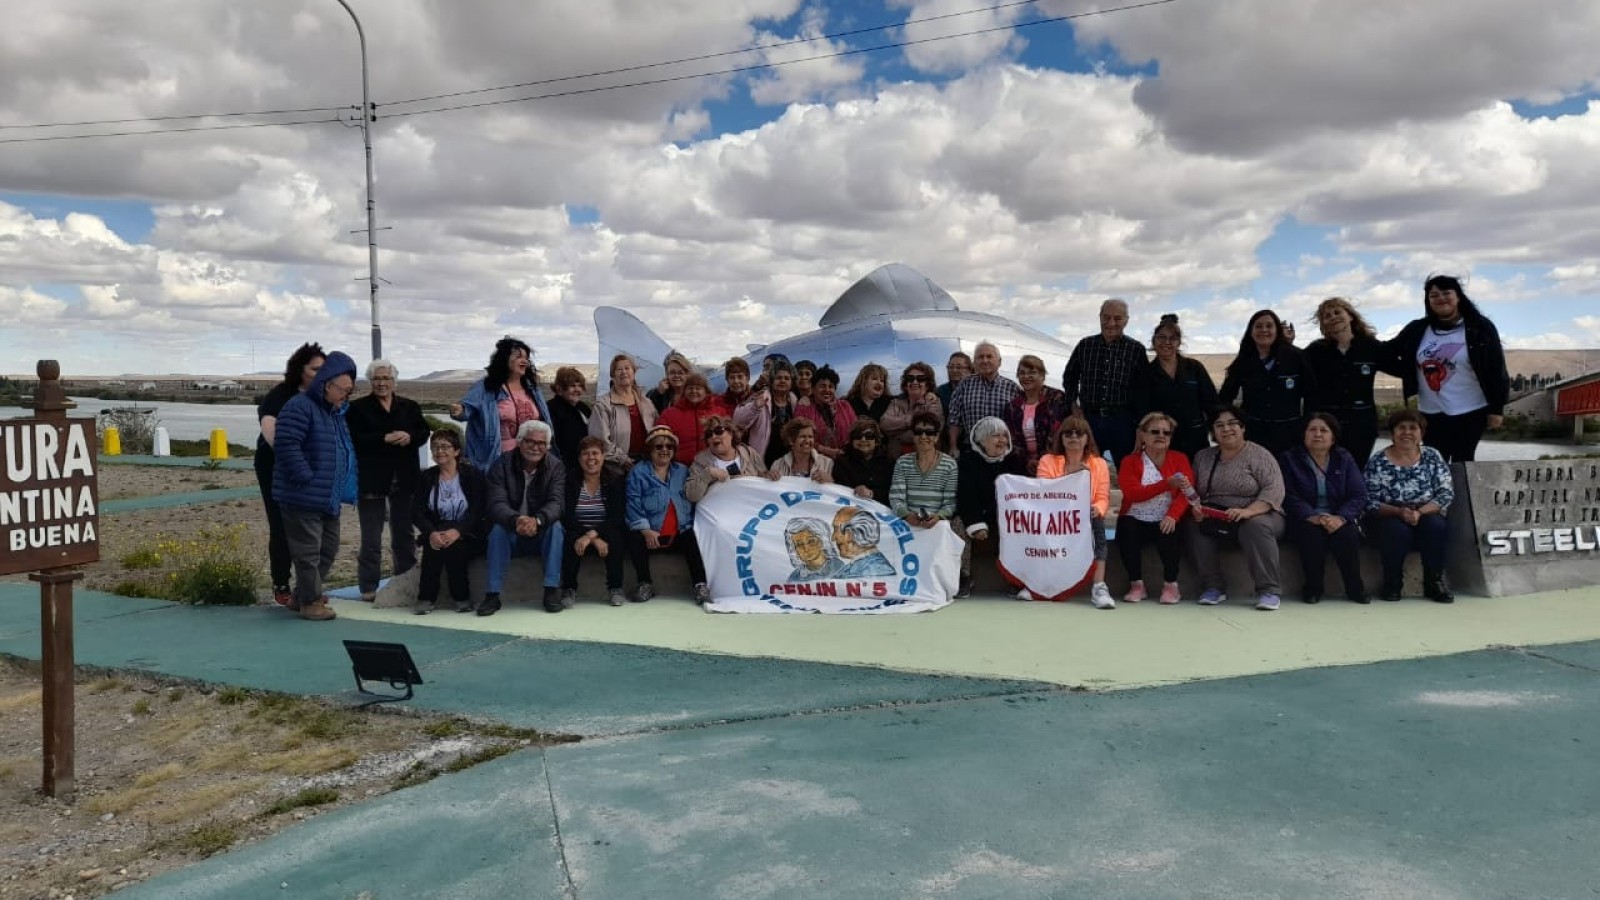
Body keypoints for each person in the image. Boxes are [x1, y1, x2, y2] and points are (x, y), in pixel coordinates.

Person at [1382, 274, 1509, 463]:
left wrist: (1497, 409)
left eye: (1446, 292)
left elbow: (1496, 368)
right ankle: (1436, 494)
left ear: (1458, 296)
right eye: (1434, 295)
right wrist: (1411, 373)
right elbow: (1386, 353)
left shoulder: (1480, 327)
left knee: (1462, 461)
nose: (1441, 298)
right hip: (1431, 410)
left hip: (1472, 408)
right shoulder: (1418, 329)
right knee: (1434, 460)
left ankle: (1461, 494)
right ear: (1428, 301)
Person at [271, 350, 358, 622]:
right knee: (308, 552)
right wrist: (304, 476)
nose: (345, 395)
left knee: (328, 549)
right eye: (342, 389)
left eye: (349, 391)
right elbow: (286, 444)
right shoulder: (299, 406)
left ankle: (301, 595)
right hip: (303, 495)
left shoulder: (334, 413)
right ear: (326, 383)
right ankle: (310, 601)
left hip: (327, 496)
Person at [1186, 407, 1288, 611]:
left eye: (1232, 423)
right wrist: (1196, 509)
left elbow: (1274, 490)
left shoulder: (1259, 454)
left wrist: (1249, 511)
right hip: (1218, 516)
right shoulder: (1203, 457)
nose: (1226, 429)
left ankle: (1269, 590)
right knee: (1192, 525)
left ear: (1242, 427)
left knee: (1255, 526)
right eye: (1219, 425)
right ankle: (1213, 587)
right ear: (1213, 432)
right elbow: (1194, 490)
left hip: (1260, 513)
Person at [347, 358, 430, 602]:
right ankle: (368, 586)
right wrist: (383, 438)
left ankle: (406, 581)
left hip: (405, 478)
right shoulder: (358, 408)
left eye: (386, 378)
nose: (382, 383)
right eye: (377, 379)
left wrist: (409, 436)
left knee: (403, 533)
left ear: (394, 381)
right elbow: (355, 437)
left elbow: (423, 432)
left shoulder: (410, 406)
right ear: (370, 381)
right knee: (371, 536)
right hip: (372, 479)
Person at [254, 342, 324, 607]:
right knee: (282, 524)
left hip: (311, 468)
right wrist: (290, 458)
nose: (320, 374)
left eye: (323, 369)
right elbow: (268, 426)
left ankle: (307, 587)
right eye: (315, 369)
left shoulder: (323, 396)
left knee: (310, 527)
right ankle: (281, 584)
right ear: (300, 370)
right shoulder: (281, 394)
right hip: (275, 467)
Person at [1364, 410, 1456, 602]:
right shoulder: (1378, 461)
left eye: (1413, 428)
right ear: (1393, 432)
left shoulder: (1432, 456)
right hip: (1389, 515)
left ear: (1421, 433)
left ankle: (1434, 583)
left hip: (1426, 511)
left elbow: (1445, 493)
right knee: (1395, 530)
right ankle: (1392, 583)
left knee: (1436, 526)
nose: (1407, 432)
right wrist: (1399, 511)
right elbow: (1368, 500)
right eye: (1401, 428)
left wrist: (1420, 513)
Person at [1280, 413, 1369, 605]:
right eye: (1312, 430)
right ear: (1304, 435)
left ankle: (1355, 588)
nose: (1317, 434)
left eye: (1323, 430)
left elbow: (1359, 494)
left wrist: (1341, 517)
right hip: (1305, 518)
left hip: (1339, 516)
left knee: (1347, 536)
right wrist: (1311, 516)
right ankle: (1313, 589)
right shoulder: (1290, 459)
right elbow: (1287, 494)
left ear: (1333, 437)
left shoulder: (1344, 458)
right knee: (1311, 536)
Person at [483, 420, 565, 616]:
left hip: (540, 530)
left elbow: (557, 503)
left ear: (547, 446)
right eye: (530, 442)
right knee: (496, 531)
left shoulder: (556, 467)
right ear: (519, 441)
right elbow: (496, 503)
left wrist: (537, 521)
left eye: (541, 443)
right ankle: (492, 595)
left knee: (556, 528)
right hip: (512, 529)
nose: (536, 447)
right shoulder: (501, 464)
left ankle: (551, 590)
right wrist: (516, 520)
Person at [1115, 412, 1194, 606]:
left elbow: (1188, 493)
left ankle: (1171, 585)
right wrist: (1167, 484)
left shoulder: (1179, 458)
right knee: (1126, 526)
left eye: (1166, 433)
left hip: (1165, 517)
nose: (1161, 436)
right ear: (1142, 435)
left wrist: (1173, 515)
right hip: (1136, 517)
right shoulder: (1130, 461)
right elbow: (1133, 494)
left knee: (1170, 528)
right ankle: (1136, 585)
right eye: (1155, 431)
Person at [626, 426, 709, 604]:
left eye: (669, 447)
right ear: (650, 450)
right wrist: (645, 530)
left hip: (679, 531)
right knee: (633, 537)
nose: (664, 450)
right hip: (651, 533)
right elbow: (633, 503)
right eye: (659, 446)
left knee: (693, 539)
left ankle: (700, 585)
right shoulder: (638, 472)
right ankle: (644, 584)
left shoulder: (683, 471)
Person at [1037, 417, 1114, 608]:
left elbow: (1103, 497)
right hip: (1054, 516)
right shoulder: (1047, 460)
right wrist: (1073, 478)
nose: (1073, 437)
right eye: (1068, 433)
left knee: (1098, 526)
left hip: (1086, 517)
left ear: (1087, 438)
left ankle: (1099, 587)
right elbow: (1043, 492)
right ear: (1061, 438)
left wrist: (1098, 508)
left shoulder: (1099, 464)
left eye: (1079, 433)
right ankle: (1039, 585)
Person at [1061, 298, 1148, 467]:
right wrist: (1073, 406)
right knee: (1086, 469)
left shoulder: (1136, 349)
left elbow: (1143, 390)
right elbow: (1069, 376)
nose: (1111, 323)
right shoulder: (1085, 345)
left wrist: (1139, 426)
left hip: (1122, 421)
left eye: (1117, 318)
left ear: (1126, 320)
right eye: (1106, 317)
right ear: (1099, 317)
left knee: (1127, 470)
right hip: (1089, 419)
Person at [1219, 310, 1317, 457]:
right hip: (1254, 436)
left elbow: (1312, 396)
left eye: (1269, 326)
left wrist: (1308, 427)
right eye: (1258, 326)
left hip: (1290, 436)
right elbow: (1225, 398)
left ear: (1277, 330)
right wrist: (1233, 424)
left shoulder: (1296, 357)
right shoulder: (1244, 361)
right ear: (1251, 332)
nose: (1264, 330)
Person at [412, 429, 488, 615]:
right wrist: (431, 533)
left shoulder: (473, 476)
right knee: (435, 546)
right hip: (438, 531)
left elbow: (478, 511)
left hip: (470, 533)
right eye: (435, 447)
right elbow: (417, 511)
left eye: (445, 447)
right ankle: (427, 598)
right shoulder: (427, 477)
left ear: (456, 451)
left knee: (454, 548)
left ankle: (460, 596)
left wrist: (458, 531)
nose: (439, 451)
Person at [1305, 297, 1387, 467]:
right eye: (1327, 316)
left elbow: (1400, 365)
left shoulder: (1370, 347)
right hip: (1329, 424)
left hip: (1362, 424)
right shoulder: (1316, 351)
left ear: (1350, 316)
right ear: (1323, 324)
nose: (1333, 317)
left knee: (1356, 470)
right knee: (1329, 470)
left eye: (1337, 312)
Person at [451, 336, 553, 471]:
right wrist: (459, 410)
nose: (524, 361)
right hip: (497, 461)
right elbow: (467, 409)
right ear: (504, 359)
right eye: (518, 357)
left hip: (529, 461)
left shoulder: (532, 389)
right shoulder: (486, 387)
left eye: (526, 358)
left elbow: (543, 421)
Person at [956, 417, 1029, 601]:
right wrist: (975, 524)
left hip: (1007, 516)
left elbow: (1024, 494)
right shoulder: (967, 461)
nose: (1002, 440)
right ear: (981, 440)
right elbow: (966, 496)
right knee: (957, 524)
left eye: (1005, 435)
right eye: (995, 436)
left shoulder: (1016, 460)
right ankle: (962, 577)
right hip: (977, 514)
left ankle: (1017, 578)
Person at [889, 411, 959, 589]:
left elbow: (950, 502)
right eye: (918, 432)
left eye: (929, 432)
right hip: (908, 521)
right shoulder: (902, 463)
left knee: (944, 529)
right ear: (913, 436)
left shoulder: (950, 464)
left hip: (936, 522)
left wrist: (938, 516)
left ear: (936, 437)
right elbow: (896, 498)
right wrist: (907, 516)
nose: (923, 436)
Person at [1132, 314, 1217, 461]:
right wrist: (1140, 433)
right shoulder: (1145, 373)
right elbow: (1140, 409)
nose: (1166, 342)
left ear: (1179, 343)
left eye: (1172, 338)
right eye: (1161, 337)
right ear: (1154, 341)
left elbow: (1211, 402)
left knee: (1197, 481)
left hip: (1195, 439)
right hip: (1162, 440)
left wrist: (1217, 430)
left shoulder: (1194, 368)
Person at [560, 436, 629, 608]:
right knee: (570, 540)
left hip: (604, 528)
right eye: (585, 454)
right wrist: (588, 536)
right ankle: (569, 588)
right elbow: (566, 514)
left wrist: (593, 535)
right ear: (579, 458)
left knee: (615, 538)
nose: (591, 458)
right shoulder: (570, 480)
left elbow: (617, 516)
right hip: (577, 527)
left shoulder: (614, 479)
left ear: (603, 456)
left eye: (595, 453)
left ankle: (615, 588)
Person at [945, 342, 1020, 454]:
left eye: (989, 356)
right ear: (974, 363)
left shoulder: (1012, 388)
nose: (985, 360)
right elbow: (954, 419)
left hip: (1003, 452)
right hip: (972, 451)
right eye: (980, 357)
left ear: (999, 362)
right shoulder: (965, 385)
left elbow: (1019, 423)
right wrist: (953, 446)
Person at [1004, 354, 1068, 475]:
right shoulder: (1012, 407)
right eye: (1022, 373)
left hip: (1054, 464)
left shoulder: (1057, 398)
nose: (1026, 376)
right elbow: (1011, 439)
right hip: (1023, 466)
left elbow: (1057, 433)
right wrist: (1028, 461)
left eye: (1032, 372)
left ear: (1042, 376)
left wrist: (1042, 461)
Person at [590, 353, 657, 467]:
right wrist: (623, 459)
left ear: (633, 373)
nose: (624, 372)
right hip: (617, 467)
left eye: (627, 368)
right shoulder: (603, 405)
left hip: (647, 464)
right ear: (612, 375)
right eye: (619, 369)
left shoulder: (646, 403)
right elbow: (600, 441)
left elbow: (656, 430)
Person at [685, 414, 767, 502]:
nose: (713, 436)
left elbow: (763, 479)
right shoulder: (700, 462)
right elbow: (691, 496)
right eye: (709, 434)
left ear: (731, 433)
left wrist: (768, 475)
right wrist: (707, 474)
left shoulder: (748, 452)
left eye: (718, 431)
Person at [735, 355, 798, 465]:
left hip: (787, 463)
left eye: (786, 378)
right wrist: (755, 407)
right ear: (772, 381)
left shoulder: (793, 400)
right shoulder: (760, 397)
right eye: (778, 378)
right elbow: (738, 421)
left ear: (791, 382)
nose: (782, 381)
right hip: (762, 462)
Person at [657, 372, 729, 466]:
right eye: (690, 388)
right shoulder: (669, 414)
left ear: (706, 391)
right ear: (684, 391)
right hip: (681, 467)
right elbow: (659, 440)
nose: (693, 391)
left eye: (698, 388)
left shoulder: (719, 412)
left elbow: (730, 438)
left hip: (715, 465)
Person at [880, 362, 943, 457]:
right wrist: (913, 421)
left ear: (927, 384)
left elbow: (932, 430)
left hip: (925, 460)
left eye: (920, 379)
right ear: (905, 383)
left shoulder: (933, 402)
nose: (914, 382)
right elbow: (884, 424)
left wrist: (895, 433)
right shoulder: (896, 403)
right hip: (896, 459)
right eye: (910, 379)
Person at [795, 365, 856, 460]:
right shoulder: (804, 407)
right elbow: (799, 437)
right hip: (815, 461)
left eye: (831, 386)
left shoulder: (845, 406)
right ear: (813, 388)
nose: (827, 390)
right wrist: (827, 451)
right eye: (822, 386)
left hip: (846, 459)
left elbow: (856, 431)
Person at [834, 419, 893, 503]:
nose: (863, 439)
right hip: (849, 506)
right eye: (857, 436)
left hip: (881, 509)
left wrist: (871, 494)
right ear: (852, 441)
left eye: (869, 436)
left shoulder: (888, 462)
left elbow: (894, 493)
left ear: (876, 441)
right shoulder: (842, 461)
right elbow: (839, 489)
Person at [547, 366, 592, 471]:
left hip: (583, 464)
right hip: (561, 467)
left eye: (580, 386)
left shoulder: (583, 407)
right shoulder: (551, 409)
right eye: (572, 386)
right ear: (559, 388)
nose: (577, 389)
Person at [831, 507, 897, 577]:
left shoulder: (876, 570)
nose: (833, 538)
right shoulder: (859, 566)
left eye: (836, 530)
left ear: (849, 534)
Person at [767, 418, 835, 483]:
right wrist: (769, 479)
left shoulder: (827, 463)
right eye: (802, 436)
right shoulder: (778, 465)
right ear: (791, 440)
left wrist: (830, 480)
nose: (807, 441)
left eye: (810, 437)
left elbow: (839, 490)